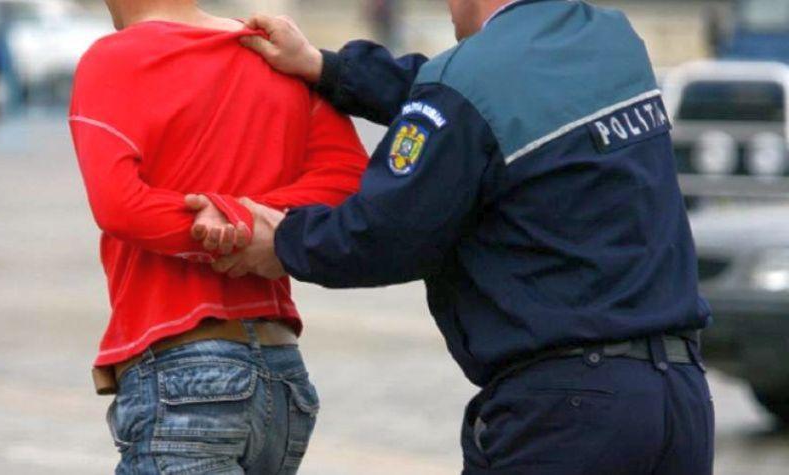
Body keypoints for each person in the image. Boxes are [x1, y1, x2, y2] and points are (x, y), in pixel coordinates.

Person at [200, 1, 716, 474]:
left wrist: (283, 241)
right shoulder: (610, 38)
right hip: (679, 400)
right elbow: (475, 106)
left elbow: (384, 233)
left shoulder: (469, 84)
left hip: (568, 414)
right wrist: (326, 67)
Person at [68, 0, 368, 473]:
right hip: (282, 375)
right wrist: (248, 221)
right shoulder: (278, 54)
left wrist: (226, 224)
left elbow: (120, 205)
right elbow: (348, 182)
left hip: (181, 372)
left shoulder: (112, 59)